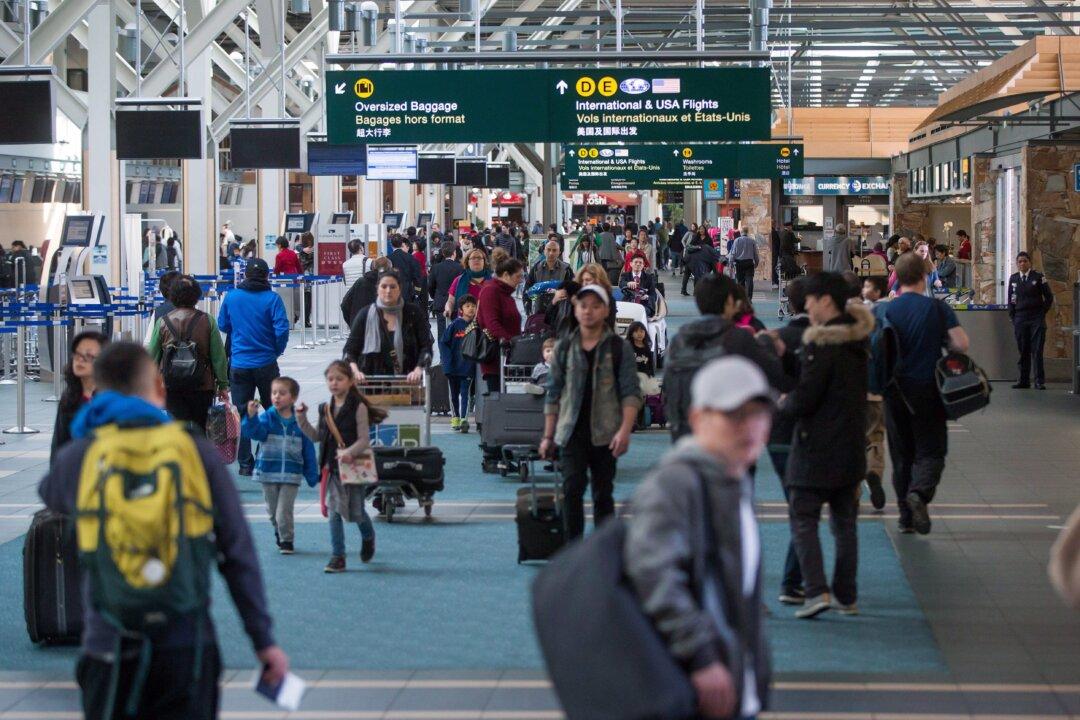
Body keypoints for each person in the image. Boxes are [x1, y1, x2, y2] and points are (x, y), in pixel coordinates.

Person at [39, 341, 288, 719]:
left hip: (108, 647)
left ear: (95, 392)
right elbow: (237, 553)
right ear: (159, 386)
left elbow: (51, 494)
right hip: (186, 645)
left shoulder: (81, 456)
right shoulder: (195, 453)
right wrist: (263, 640)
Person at [624, 356, 772, 720]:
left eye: (758, 414)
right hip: (694, 686)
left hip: (734, 682)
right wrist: (702, 656)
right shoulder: (676, 483)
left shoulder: (733, 482)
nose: (749, 427)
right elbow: (652, 574)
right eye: (734, 415)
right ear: (698, 419)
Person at [779, 272, 872, 618]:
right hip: (850, 447)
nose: (806, 305)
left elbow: (806, 398)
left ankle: (816, 590)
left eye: (812, 299)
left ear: (827, 301)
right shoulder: (858, 340)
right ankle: (847, 595)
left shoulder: (822, 345)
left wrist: (784, 402)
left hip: (815, 449)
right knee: (845, 523)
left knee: (803, 518)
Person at [541, 285, 641, 541]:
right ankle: (572, 553)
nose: (588, 311)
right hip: (571, 430)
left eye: (596, 306)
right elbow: (553, 394)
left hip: (606, 432)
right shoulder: (564, 348)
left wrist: (625, 431)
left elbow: (631, 393)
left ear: (606, 310)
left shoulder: (619, 348)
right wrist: (548, 435)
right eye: (583, 305)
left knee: (602, 493)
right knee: (571, 489)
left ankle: (602, 553)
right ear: (575, 309)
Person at [883, 252, 970, 535]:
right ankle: (919, 494)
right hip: (929, 390)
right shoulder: (937, 308)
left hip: (894, 392)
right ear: (924, 276)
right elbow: (961, 344)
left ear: (897, 276)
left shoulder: (886, 310)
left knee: (901, 455)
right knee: (931, 450)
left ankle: (905, 518)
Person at [666, 274, 791, 440]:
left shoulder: (679, 338)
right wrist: (767, 343)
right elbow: (775, 375)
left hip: (685, 428)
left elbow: (668, 385)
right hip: (727, 436)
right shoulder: (739, 338)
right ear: (730, 301)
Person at [298, 360, 388, 573]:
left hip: (354, 466)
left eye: (339, 379)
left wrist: (349, 452)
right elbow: (318, 436)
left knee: (356, 512)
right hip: (333, 467)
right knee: (335, 511)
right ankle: (338, 555)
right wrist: (301, 419)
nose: (334, 383)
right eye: (330, 379)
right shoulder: (325, 409)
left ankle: (368, 536)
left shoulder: (359, 407)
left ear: (350, 381)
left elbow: (364, 440)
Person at [218, 258, 291, 476]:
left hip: (239, 364)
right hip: (266, 364)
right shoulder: (273, 299)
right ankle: (265, 456)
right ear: (267, 276)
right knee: (271, 409)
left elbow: (223, 324)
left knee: (242, 413)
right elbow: (282, 330)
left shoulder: (232, 297)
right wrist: (275, 351)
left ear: (246, 275)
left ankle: (245, 464)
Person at [241, 376, 318, 554]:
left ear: (293, 398)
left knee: (284, 510)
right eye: (274, 393)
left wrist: (312, 475)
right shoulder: (267, 418)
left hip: (291, 474)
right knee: (272, 511)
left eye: (282, 393)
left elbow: (308, 451)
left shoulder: (300, 423)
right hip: (268, 472)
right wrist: (251, 418)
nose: (276, 397)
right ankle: (279, 530)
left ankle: (287, 540)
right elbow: (254, 433)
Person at [149, 275, 230, 430]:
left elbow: (152, 356)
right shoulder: (207, 320)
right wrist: (223, 385)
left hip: (172, 385)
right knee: (201, 428)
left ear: (172, 296)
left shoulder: (162, 322)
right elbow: (218, 357)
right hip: (202, 385)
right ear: (196, 296)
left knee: (176, 429)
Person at [344, 270, 433, 385]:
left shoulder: (413, 314)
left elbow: (426, 346)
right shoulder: (365, 315)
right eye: (384, 286)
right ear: (377, 289)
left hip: (407, 383)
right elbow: (350, 351)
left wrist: (418, 369)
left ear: (400, 288)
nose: (388, 291)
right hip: (371, 384)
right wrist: (355, 370)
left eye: (392, 286)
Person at [50, 331, 108, 464]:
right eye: (77, 354)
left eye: (88, 355)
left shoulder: (113, 397)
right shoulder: (70, 396)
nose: (80, 360)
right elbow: (59, 444)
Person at [1008, 251, 1055, 390]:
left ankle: (1039, 381)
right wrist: (1013, 316)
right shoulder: (1014, 278)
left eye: (1025, 261)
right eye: (1020, 261)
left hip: (1036, 319)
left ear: (1029, 263)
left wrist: (1041, 313)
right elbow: (1011, 298)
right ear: (1017, 264)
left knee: (1037, 350)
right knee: (1023, 350)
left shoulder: (1038, 277)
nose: (1022, 263)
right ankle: (1023, 380)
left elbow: (1049, 297)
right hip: (1020, 318)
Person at [476, 258, 524, 392]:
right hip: (495, 357)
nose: (520, 280)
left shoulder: (506, 294)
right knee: (497, 398)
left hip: (507, 357)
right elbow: (492, 324)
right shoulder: (491, 291)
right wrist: (512, 341)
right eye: (518, 276)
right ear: (505, 275)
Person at [439, 294, 478, 433]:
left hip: (468, 366)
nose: (471, 309)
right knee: (453, 394)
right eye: (468, 306)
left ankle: (463, 419)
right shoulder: (455, 325)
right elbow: (444, 343)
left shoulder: (476, 326)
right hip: (453, 367)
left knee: (465, 392)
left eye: (473, 306)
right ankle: (455, 417)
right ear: (461, 309)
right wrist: (447, 363)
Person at [341, 256, 392, 329]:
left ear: (373, 266)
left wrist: (352, 323)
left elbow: (344, 305)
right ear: (389, 269)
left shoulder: (360, 282)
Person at [429, 240, 465, 340]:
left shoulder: (436, 268)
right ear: (454, 253)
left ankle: (443, 353)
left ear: (443, 253)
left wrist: (435, 296)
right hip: (457, 303)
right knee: (458, 331)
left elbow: (431, 286)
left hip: (440, 302)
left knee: (442, 332)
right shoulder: (460, 268)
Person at [525, 241, 573, 316]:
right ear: (544, 251)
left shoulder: (566, 269)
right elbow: (528, 288)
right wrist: (530, 305)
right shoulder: (536, 268)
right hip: (540, 312)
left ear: (559, 252)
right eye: (548, 249)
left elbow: (571, 291)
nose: (551, 253)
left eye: (554, 250)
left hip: (559, 313)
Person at [445, 248, 492, 320]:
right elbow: (451, 301)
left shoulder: (492, 282)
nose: (476, 260)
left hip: (487, 323)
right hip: (464, 323)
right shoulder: (458, 280)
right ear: (467, 262)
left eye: (479, 258)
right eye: (473, 258)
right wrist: (448, 309)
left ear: (484, 262)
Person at [729, 225, 760, 300]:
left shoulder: (737, 240)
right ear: (747, 232)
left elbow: (733, 253)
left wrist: (731, 263)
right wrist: (756, 262)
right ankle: (749, 298)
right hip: (749, 263)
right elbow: (755, 253)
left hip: (739, 263)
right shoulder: (752, 241)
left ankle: (741, 298)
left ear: (740, 232)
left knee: (740, 281)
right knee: (749, 280)